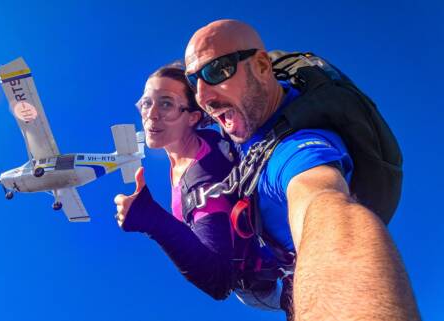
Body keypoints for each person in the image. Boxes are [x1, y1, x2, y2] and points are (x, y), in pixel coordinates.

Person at [179, 19, 421, 320]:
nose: (202, 96)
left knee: (256, 296)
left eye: (217, 71)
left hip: (280, 276)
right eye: (194, 81)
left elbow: (324, 202)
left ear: (263, 67)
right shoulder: (245, 107)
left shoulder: (297, 152)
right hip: (264, 259)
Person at [114, 63, 284, 310]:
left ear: (193, 117)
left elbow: (219, 282)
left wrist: (150, 219)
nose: (151, 114)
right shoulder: (201, 144)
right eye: (147, 102)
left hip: (260, 282)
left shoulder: (202, 181)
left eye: (166, 104)